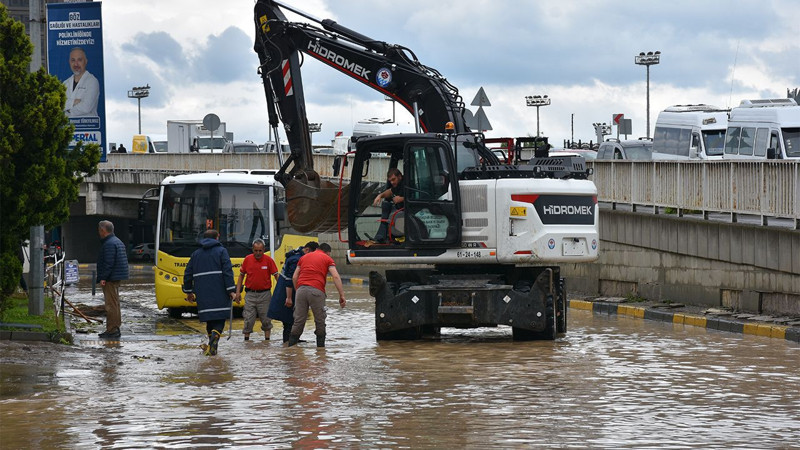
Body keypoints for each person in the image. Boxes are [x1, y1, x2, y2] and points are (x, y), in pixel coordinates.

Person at [183, 229, 236, 356]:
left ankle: (212, 345)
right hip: (220, 291)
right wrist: (231, 290)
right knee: (219, 319)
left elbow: (188, 273)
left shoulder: (195, 254)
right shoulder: (222, 251)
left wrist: (189, 291)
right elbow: (228, 271)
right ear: (217, 237)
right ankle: (214, 338)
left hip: (202, 292)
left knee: (209, 319)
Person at [288, 242, 346, 348]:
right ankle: (320, 351)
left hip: (300, 290)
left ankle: (291, 349)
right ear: (327, 252)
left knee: (298, 321)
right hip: (317, 291)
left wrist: (299, 290)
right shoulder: (327, 259)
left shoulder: (304, 257)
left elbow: (294, 277)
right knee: (320, 320)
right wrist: (341, 295)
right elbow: (336, 277)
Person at [268, 242, 314, 342]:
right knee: (288, 320)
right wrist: (289, 298)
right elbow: (289, 280)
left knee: (293, 318)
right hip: (286, 292)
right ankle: (288, 345)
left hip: (288, 291)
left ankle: (293, 342)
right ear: (307, 250)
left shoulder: (296, 254)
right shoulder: (295, 260)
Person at [235, 239, 278, 341]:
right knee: (248, 319)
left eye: (260, 251)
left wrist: (281, 292)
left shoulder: (269, 260)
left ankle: (267, 341)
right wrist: (237, 292)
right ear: (252, 250)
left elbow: (277, 276)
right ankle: (246, 340)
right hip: (250, 294)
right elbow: (241, 276)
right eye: (256, 251)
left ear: (263, 250)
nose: (258, 253)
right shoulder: (247, 259)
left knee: (266, 319)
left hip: (265, 295)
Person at [96, 220, 129, 339]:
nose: (98, 233)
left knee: (110, 305)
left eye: (99, 230)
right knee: (115, 304)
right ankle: (115, 327)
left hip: (110, 278)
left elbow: (108, 263)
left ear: (103, 230)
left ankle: (112, 330)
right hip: (116, 277)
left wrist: (103, 277)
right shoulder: (117, 241)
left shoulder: (109, 244)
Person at [63, 47, 99, 118]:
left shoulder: (92, 81)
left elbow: (86, 107)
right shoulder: (65, 83)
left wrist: (67, 110)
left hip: (87, 126)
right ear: (69, 62)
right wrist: (74, 102)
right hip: (67, 126)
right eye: (73, 60)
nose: (76, 64)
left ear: (86, 61)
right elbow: (59, 105)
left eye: (79, 60)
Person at [372, 168, 404, 243]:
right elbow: (390, 191)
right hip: (400, 211)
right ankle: (381, 236)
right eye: (390, 181)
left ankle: (382, 236)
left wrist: (402, 199)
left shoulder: (407, 183)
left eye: (393, 179)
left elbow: (416, 196)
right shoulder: (397, 185)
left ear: (399, 176)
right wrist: (380, 195)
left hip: (408, 211)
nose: (392, 182)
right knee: (386, 205)